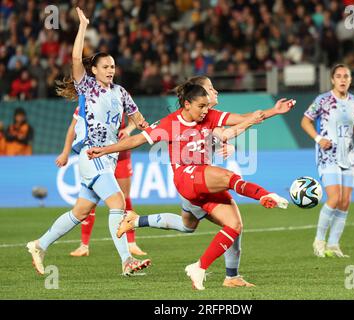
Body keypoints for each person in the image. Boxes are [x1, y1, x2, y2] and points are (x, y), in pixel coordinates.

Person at [87, 82, 295, 290]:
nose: (206, 111)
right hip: (186, 178)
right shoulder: (169, 123)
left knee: (232, 225)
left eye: (207, 106)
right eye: (201, 106)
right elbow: (136, 140)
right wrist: (106, 150)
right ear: (187, 104)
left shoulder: (210, 116)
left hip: (203, 180)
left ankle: (208, 270)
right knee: (229, 177)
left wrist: (274, 111)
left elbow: (242, 118)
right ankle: (265, 195)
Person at [26, 7, 151, 276]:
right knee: (118, 204)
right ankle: (127, 261)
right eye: (105, 66)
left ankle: (39, 244)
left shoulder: (121, 92)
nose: (110, 70)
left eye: (113, 66)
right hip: (92, 157)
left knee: (80, 211)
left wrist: (143, 128)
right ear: (93, 69)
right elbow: (74, 57)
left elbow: (139, 118)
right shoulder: (88, 87)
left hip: (109, 157)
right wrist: (82, 26)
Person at [301, 64, 354, 258]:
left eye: (346, 76)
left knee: (346, 201)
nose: (342, 79)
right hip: (328, 154)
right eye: (338, 76)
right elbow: (305, 121)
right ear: (332, 79)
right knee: (335, 198)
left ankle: (333, 245)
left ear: (350, 80)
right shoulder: (322, 100)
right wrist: (318, 139)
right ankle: (319, 241)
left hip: (348, 155)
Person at [56, 108, 147, 257]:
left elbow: (135, 118)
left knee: (124, 197)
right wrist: (65, 152)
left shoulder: (121, 94)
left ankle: (131, 244)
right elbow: (73, 126)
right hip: (97, 154)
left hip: (121, 153)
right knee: (90, 200)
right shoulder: (87, 98)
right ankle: (84, 245)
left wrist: (129, 129)